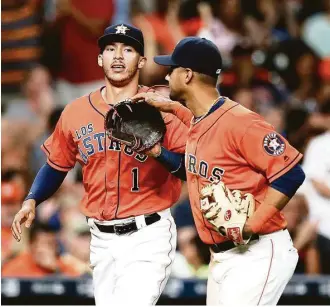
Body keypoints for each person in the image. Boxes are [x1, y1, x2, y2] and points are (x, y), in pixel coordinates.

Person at [11, 23, 188, 306]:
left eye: (128, 49)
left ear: (142, 60)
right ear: (99, 59)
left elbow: (187, 168)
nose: (118, 56)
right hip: (101, 238)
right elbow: (57, 164)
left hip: (148, 233)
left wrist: (157, 151)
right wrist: (32, 199)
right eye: (110, 49)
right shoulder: (76, 111)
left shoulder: (161, 109)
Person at [131, 37, 306, 305]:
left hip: (257, 251)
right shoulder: (200, 121)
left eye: (172, 69)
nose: (166, 75)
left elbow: (291, 174)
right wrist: (158, 150)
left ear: (187, 75)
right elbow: (190, 169)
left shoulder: (241, 122)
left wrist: (252, 225)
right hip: (224, 256)